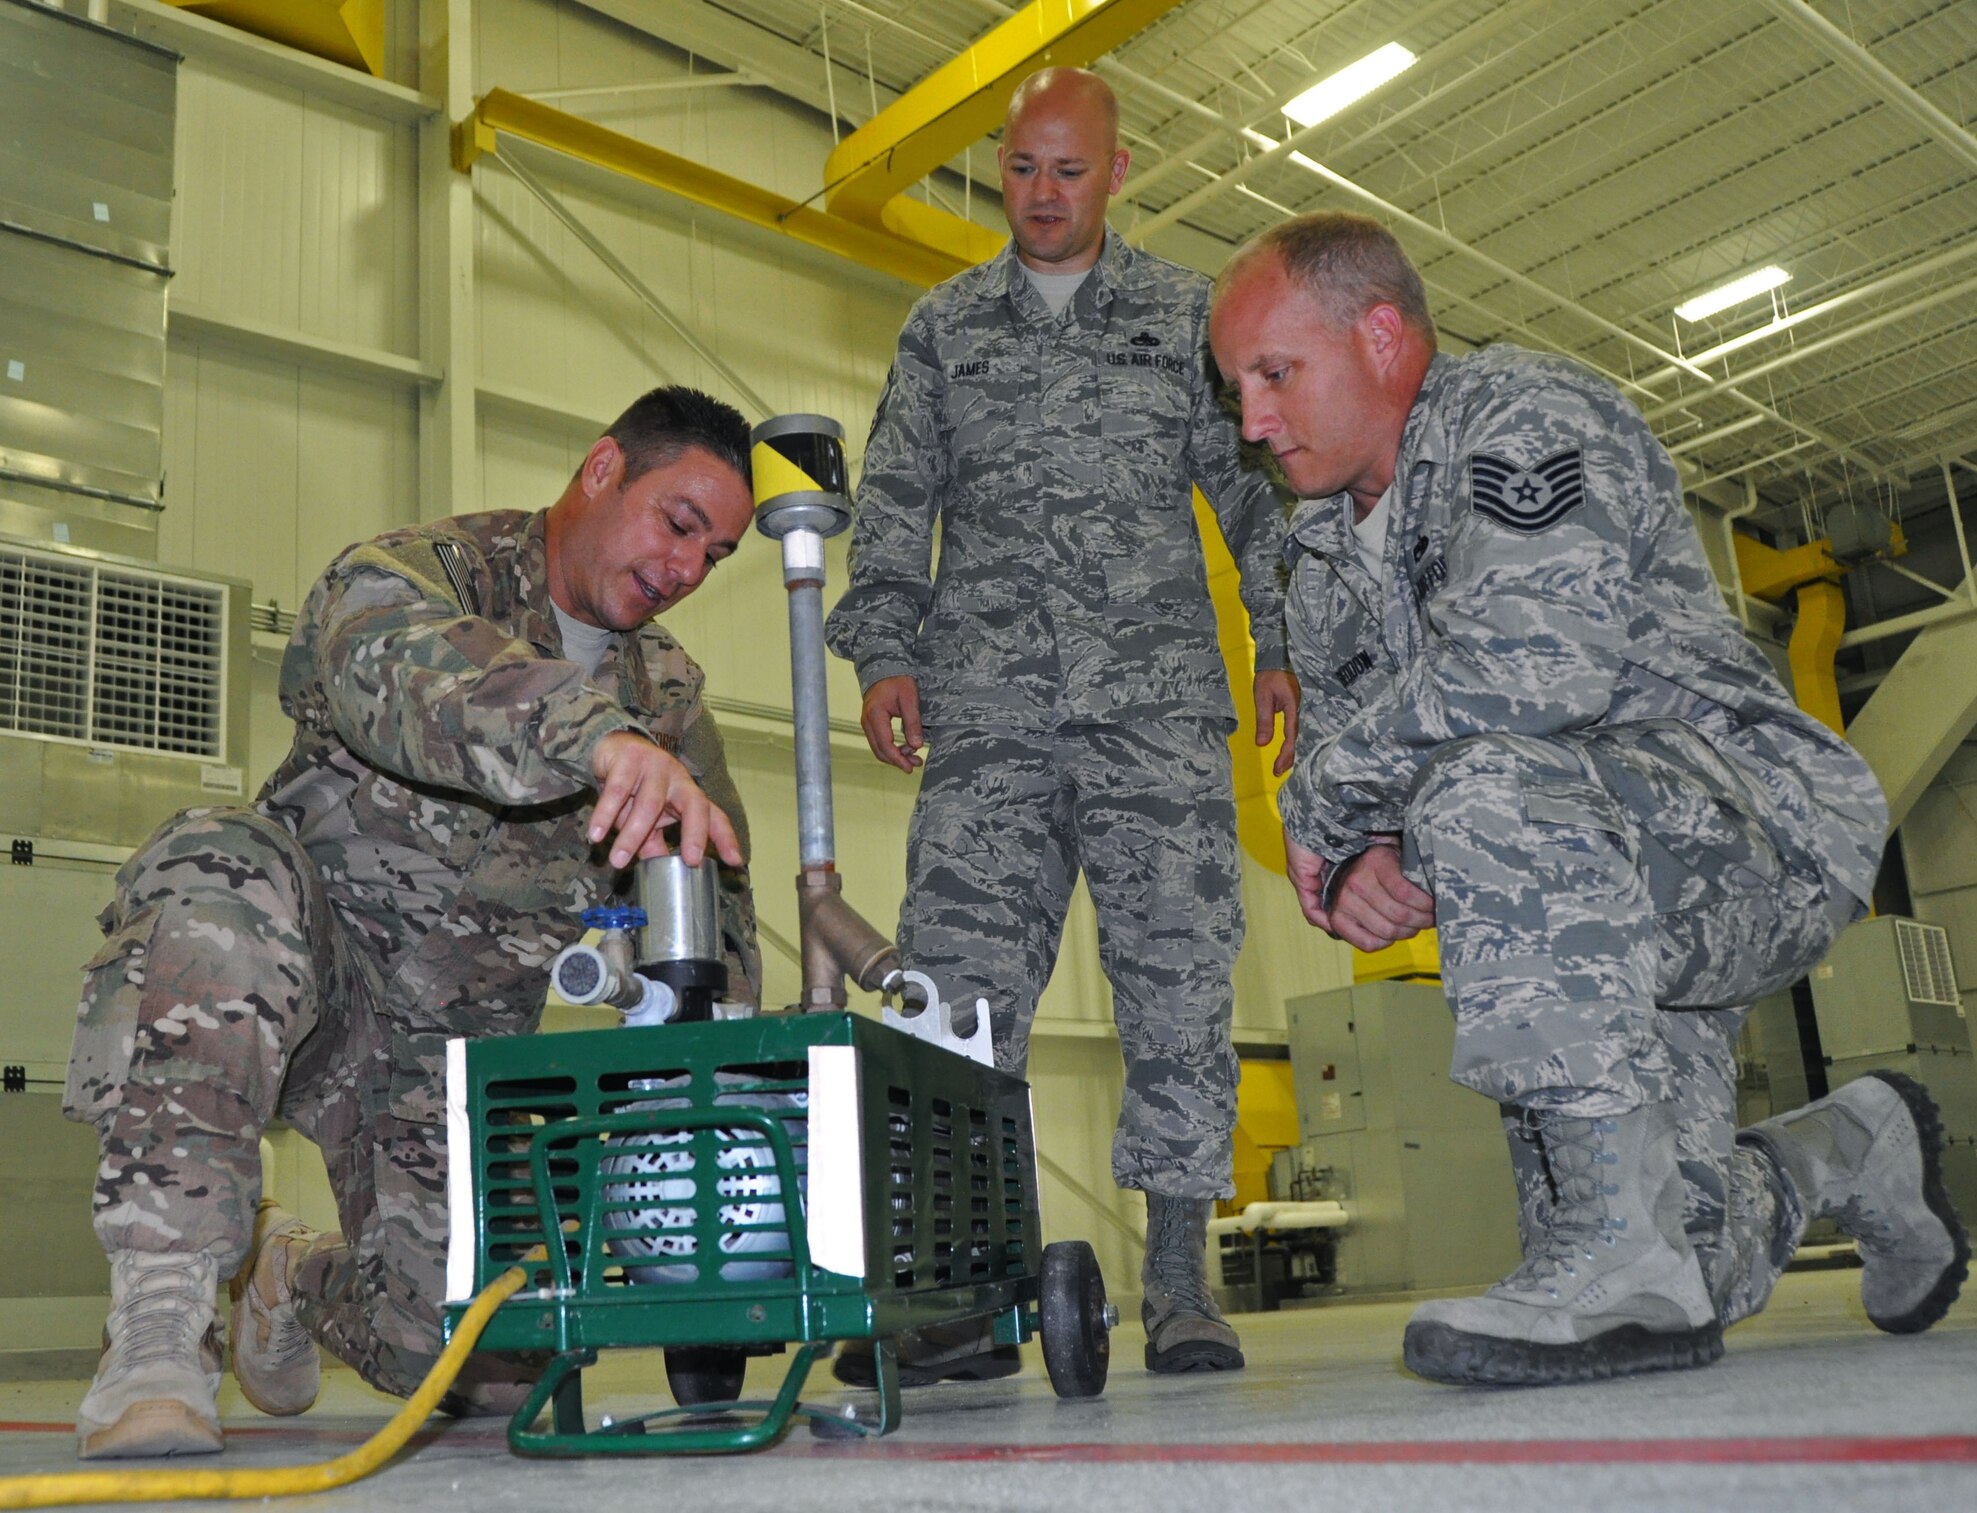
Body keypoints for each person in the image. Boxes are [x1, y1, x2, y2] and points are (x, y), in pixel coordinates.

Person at [1208, 210, 1971, 1386]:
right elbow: (1405, 782)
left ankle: (1618, 1250)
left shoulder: (1515, 416)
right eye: (1234, 387)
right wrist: (1370, 861)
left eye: (1272, 373)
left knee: (1485, 791)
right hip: (1592, 901)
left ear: (1377, 335)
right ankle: (1845, 1150)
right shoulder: (1315, 567)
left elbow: (1530, 670)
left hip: (1752, 829)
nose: (1251, 418)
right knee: (1688, 1273)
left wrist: (1329, 804)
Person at [64, 386, 763, 1457]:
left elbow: (716, 923)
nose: (683, 571)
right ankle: (160, 1325)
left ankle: (295, 1275)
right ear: (603, 469)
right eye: (678, 524)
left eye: (713, 556)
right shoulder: (435, 574)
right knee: (213, 871)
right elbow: (374, 655)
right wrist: (590, 737)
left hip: (448, 1062)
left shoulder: (670, 701)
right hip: (305, 979)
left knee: (485, 1355)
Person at [825, 67, 1297, 1380]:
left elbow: (1255, 493)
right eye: (1022, 169)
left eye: (1067, 172)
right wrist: (883, 652)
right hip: (987, 718)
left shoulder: (1183, 317)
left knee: (1178, 989)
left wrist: (1281, 639)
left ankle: (1184, 1284)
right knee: (953, 1001)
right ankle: (961, 1295)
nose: (1041, 196)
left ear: (1116, 171)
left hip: (1156, 712)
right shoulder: (944, 326)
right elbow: (895, 500)